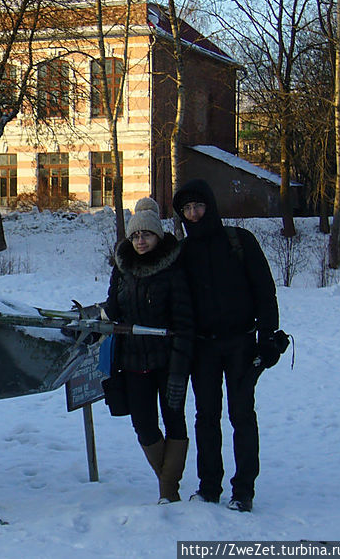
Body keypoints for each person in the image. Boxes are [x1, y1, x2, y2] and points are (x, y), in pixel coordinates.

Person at [172, 179, 279, 513]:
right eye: (187, 209)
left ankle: (243, 490)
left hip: (241, 344)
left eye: (198, 206)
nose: (193, 213)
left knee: (242, 415)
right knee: (206, 417)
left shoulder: (239, 241)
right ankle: (209, 486)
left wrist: (267, 336)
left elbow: (265, 290)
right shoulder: (183, 252)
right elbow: (176, 301)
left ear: (210, 206)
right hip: (203, 349)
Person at [104, 197, 195, 504]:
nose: (140, 240)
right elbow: (113, 309)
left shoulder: (173, 268)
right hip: (133, 361)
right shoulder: (123, 268)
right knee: (143, 424)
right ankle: (168, 480)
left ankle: (168, 491)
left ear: (157, 236)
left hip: (168, 360)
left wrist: (181, 362)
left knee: (174, 419)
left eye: (145, 234)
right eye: (134, 236)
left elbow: (184, 319)